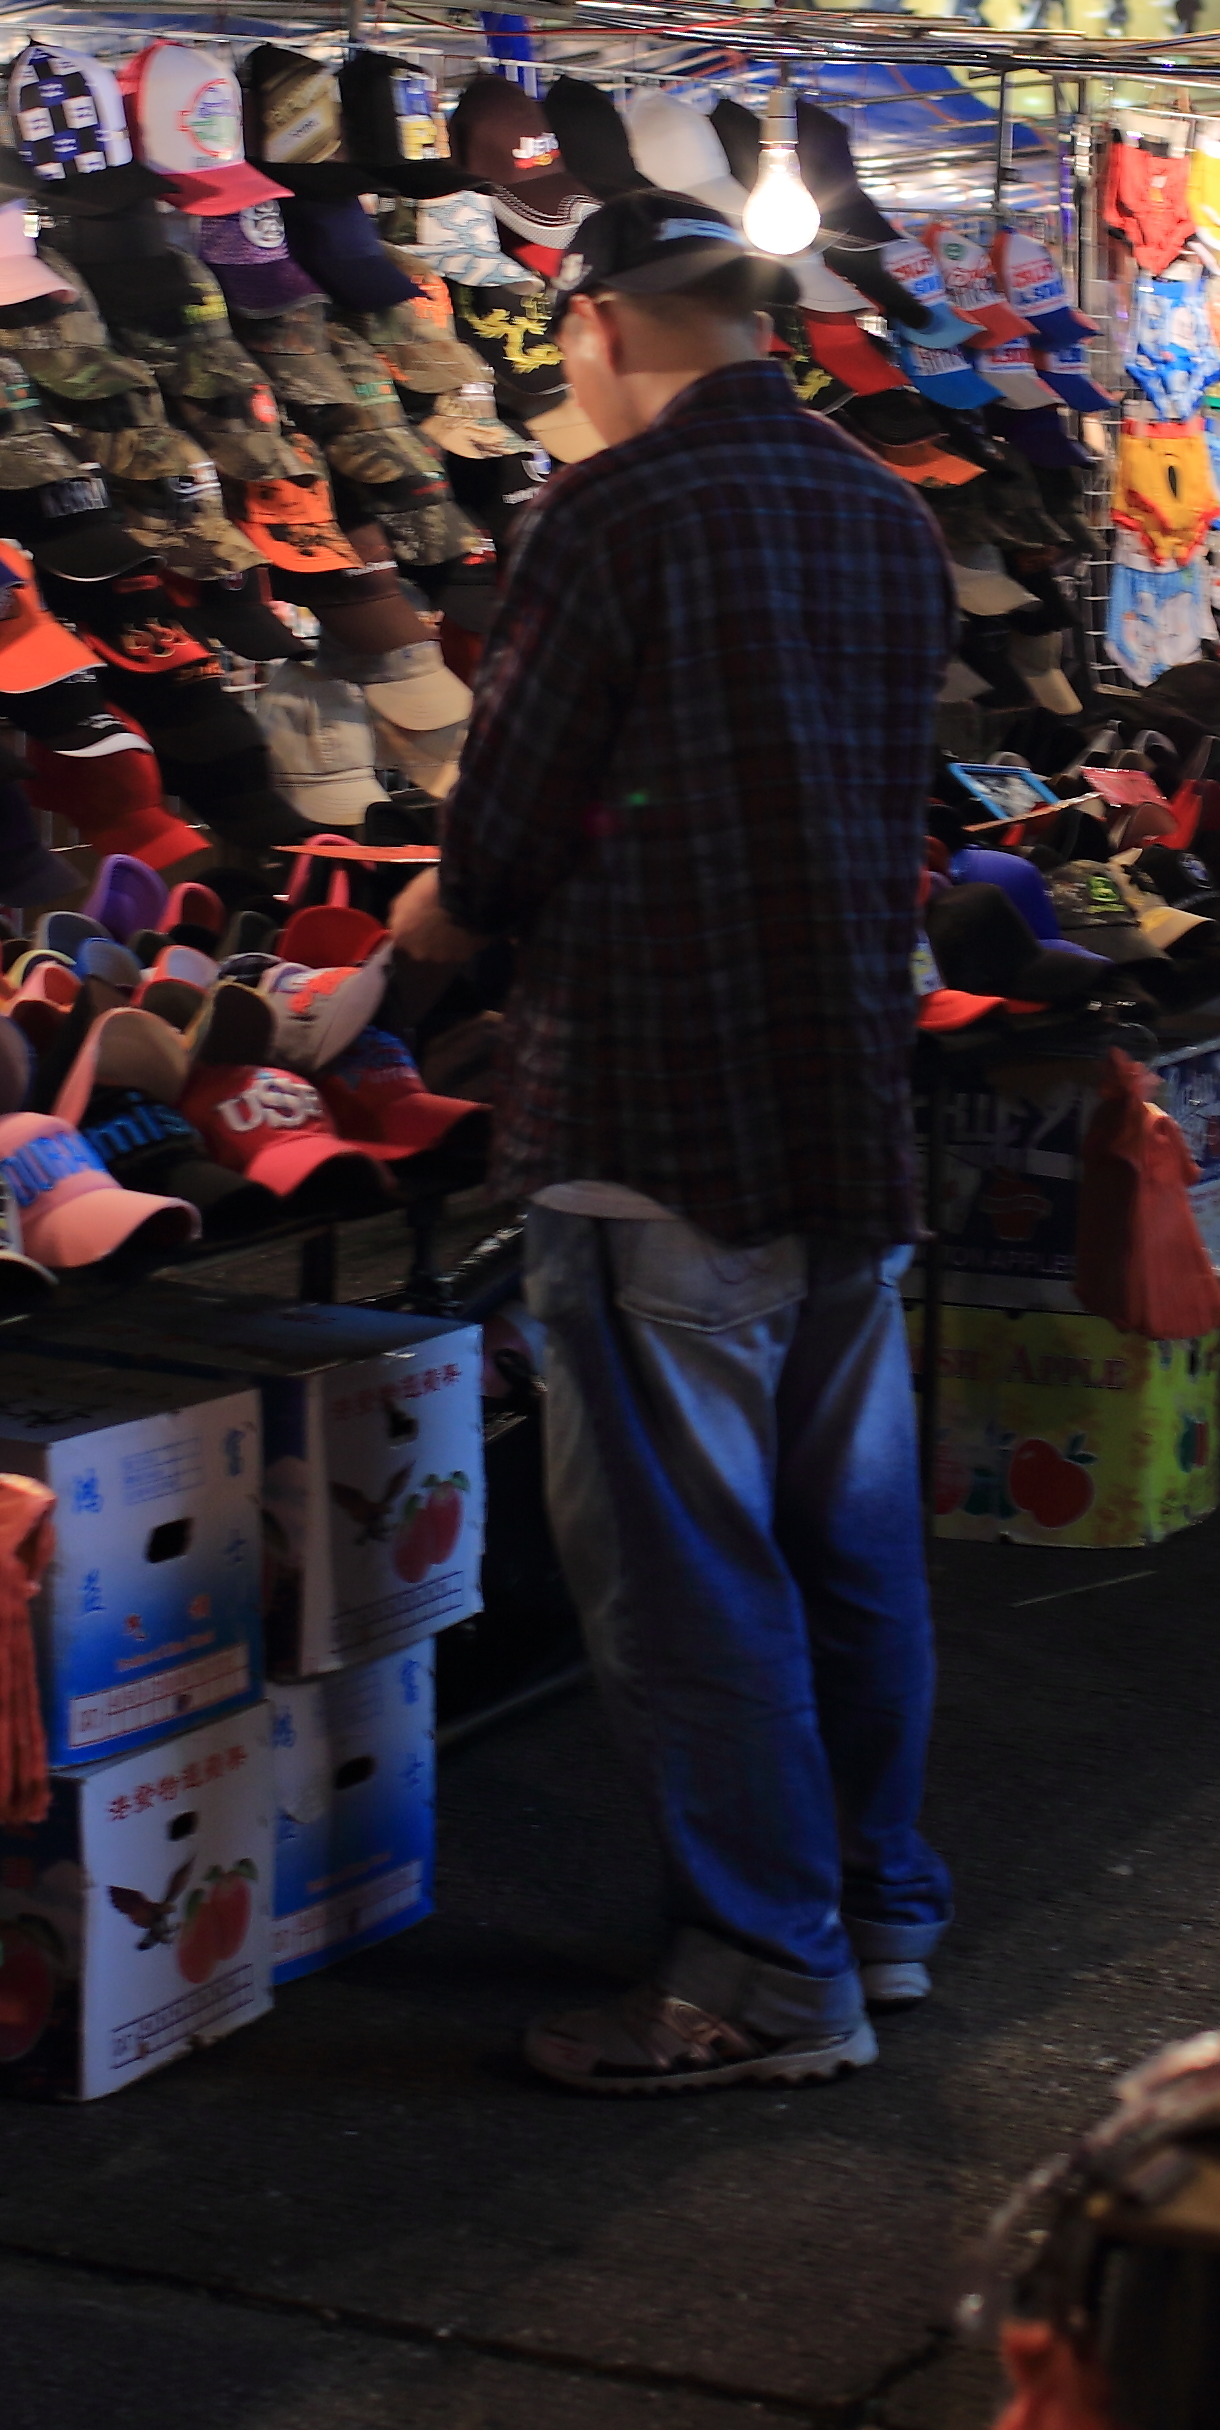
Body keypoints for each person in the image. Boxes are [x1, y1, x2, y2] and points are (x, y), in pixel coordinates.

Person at [385, 188, 958, 2098]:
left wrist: (426, 932)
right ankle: (878, 1910)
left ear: (605, 330)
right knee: (848, 1542)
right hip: (840, 1103)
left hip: (652, 1113)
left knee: (692, 1574)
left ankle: (765, 1978)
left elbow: (509, 835)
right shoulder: (884, 510)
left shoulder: (607, 517)